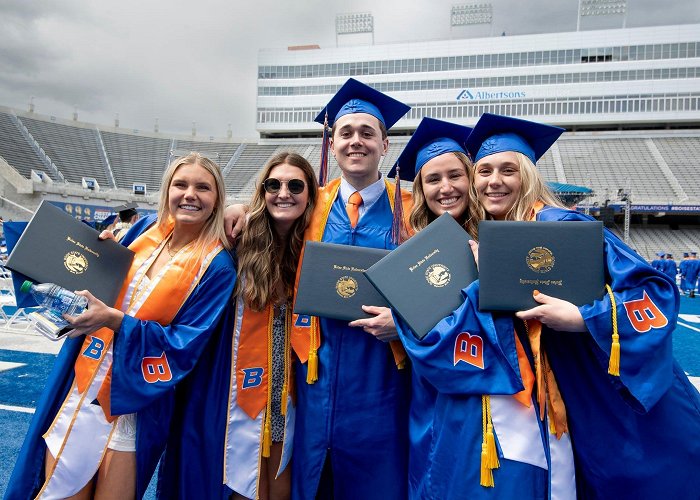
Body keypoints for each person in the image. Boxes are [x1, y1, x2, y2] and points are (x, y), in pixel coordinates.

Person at [465, 113, 700, 498]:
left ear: (527, 175)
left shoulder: (560, 225)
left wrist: (583, 318)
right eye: (484, 171)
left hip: (610, 387)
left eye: (508, 169)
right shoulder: (495, 240)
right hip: (565, 395)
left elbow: (655, 294)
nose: (494, 181)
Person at [6, 152, 236, 499]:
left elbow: (186, 345)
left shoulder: (218, 266)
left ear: (217, 198)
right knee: (58, 491)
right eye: (181, 184)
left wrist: (113, 320)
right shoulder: (144, 230)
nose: (190, 194)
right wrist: (99, 261)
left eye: (203, 187)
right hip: (83, 382)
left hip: (134, 399)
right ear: (166, 190)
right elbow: (106, 286)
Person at [225, 78, 414, 499]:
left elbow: (442, 288)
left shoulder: (413, 209)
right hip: (312, 382)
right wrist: (238, 208)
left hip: (383, 387)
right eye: (346, 133)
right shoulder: (311, 204)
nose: (356, 141)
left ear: (385, 145)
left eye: (368, 133)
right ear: (333, 143)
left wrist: (404, 323)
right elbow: (265, 212)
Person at [389, 117, 568, 499]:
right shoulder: (410, 251)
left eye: (456, 175)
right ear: (419, 190)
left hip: (513, 393)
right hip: (441, 394)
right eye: (432, 180)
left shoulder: (510, 233)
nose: (446, 188)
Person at [158, 152, 318, 499]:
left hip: (289, 398)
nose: (283, 193)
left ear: (310, 195)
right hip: (235, 390)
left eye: (295, 185)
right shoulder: (235, 243)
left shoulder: (316, 246)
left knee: (281, 489)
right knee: (233, 484)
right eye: (273, 185)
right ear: (261, 191)